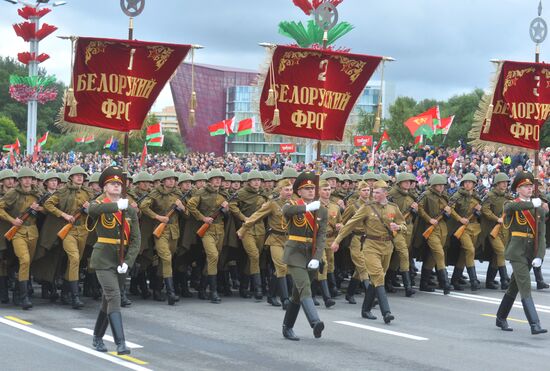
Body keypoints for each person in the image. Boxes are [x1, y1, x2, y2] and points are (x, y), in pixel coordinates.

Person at [332, 180, 406, 324]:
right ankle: (386, 312)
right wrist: (337, 241)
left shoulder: (393, 208)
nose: (374, 195)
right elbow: (350, 224)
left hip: (387, 246)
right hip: (370, 246)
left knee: (378, 278)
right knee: (378, 275)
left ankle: (366, 309)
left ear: (385, 193)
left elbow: (403, 225)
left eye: (378, 192)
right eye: (374, 192)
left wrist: (398, 226)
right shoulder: (367, 208)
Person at [88, 166, 140, 354]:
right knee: (114, 297)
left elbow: (136, 239)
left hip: (120, 259)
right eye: (112, 183)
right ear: (104, 187)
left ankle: (97, 337)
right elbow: (92, 211)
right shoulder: (99, 203)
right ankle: (121, 343)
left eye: (119, 183)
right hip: (103, 258)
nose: (116, 186)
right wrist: (117, 206)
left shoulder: (130, 210)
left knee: (107, 300)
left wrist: (129, 261)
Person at [495, 172, 547, 335]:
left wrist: (540, 255)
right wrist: (534, 203)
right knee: (525, 286)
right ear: (518, 189)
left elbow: (541, 234)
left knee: (514, 287)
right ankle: (535, 324)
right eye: (525, 186)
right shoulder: (511, 204)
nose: (530, 188)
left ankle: (500, 318)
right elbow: (512, 208)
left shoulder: (538, 208)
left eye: (531, 186)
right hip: (517, 251)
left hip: (531, 252)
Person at [281, 172, 327, 341]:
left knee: (297, 294)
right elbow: (286, 211)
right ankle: (315, 322)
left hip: (311, 253)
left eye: (312, 188)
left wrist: (317, 257)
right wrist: (307, 208)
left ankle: (287, 327)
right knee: (304, 285)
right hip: (295, 253)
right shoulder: (293, 204)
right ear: (299, 192)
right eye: (306, 188)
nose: (310, 191)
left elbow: (322, 236)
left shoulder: (321, 209)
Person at [44, 165, 93, 309]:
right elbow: (48, 204)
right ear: (71, 177)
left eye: (82, 175)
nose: (80, 177)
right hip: (69, 230)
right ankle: (75, 297)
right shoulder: (62, 191)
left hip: (83, 230)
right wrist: (64, 215)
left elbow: (96, 208)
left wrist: (89, 207)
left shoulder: (88, 192)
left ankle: (66, 292)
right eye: (77, 175)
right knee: (74, 259)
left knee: (74, 263)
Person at [140, 170, 185, 305]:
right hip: (160, 231)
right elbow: (143, 206)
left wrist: (182, 207)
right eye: (169, 179)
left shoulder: (178, 194)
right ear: (163, 181)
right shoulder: (155, 193)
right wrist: (158, 217)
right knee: (166, 258)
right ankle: (171, 293)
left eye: (173, 179)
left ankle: (157, 289)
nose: (172, 181)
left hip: (174, 231)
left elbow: (187, 214)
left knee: (165, 261)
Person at [0, 168, 43, 309]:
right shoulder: (13, 193)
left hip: (33, 231)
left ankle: (19, 293)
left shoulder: (38, 193)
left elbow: (49, 208)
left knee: (27, 263)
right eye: (24, 178)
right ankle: (23, 297)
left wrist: (39, 209)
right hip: (17, 231)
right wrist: (12, 220)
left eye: (30, 178)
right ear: (20, 180)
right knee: (24, 260)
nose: (27, 180)